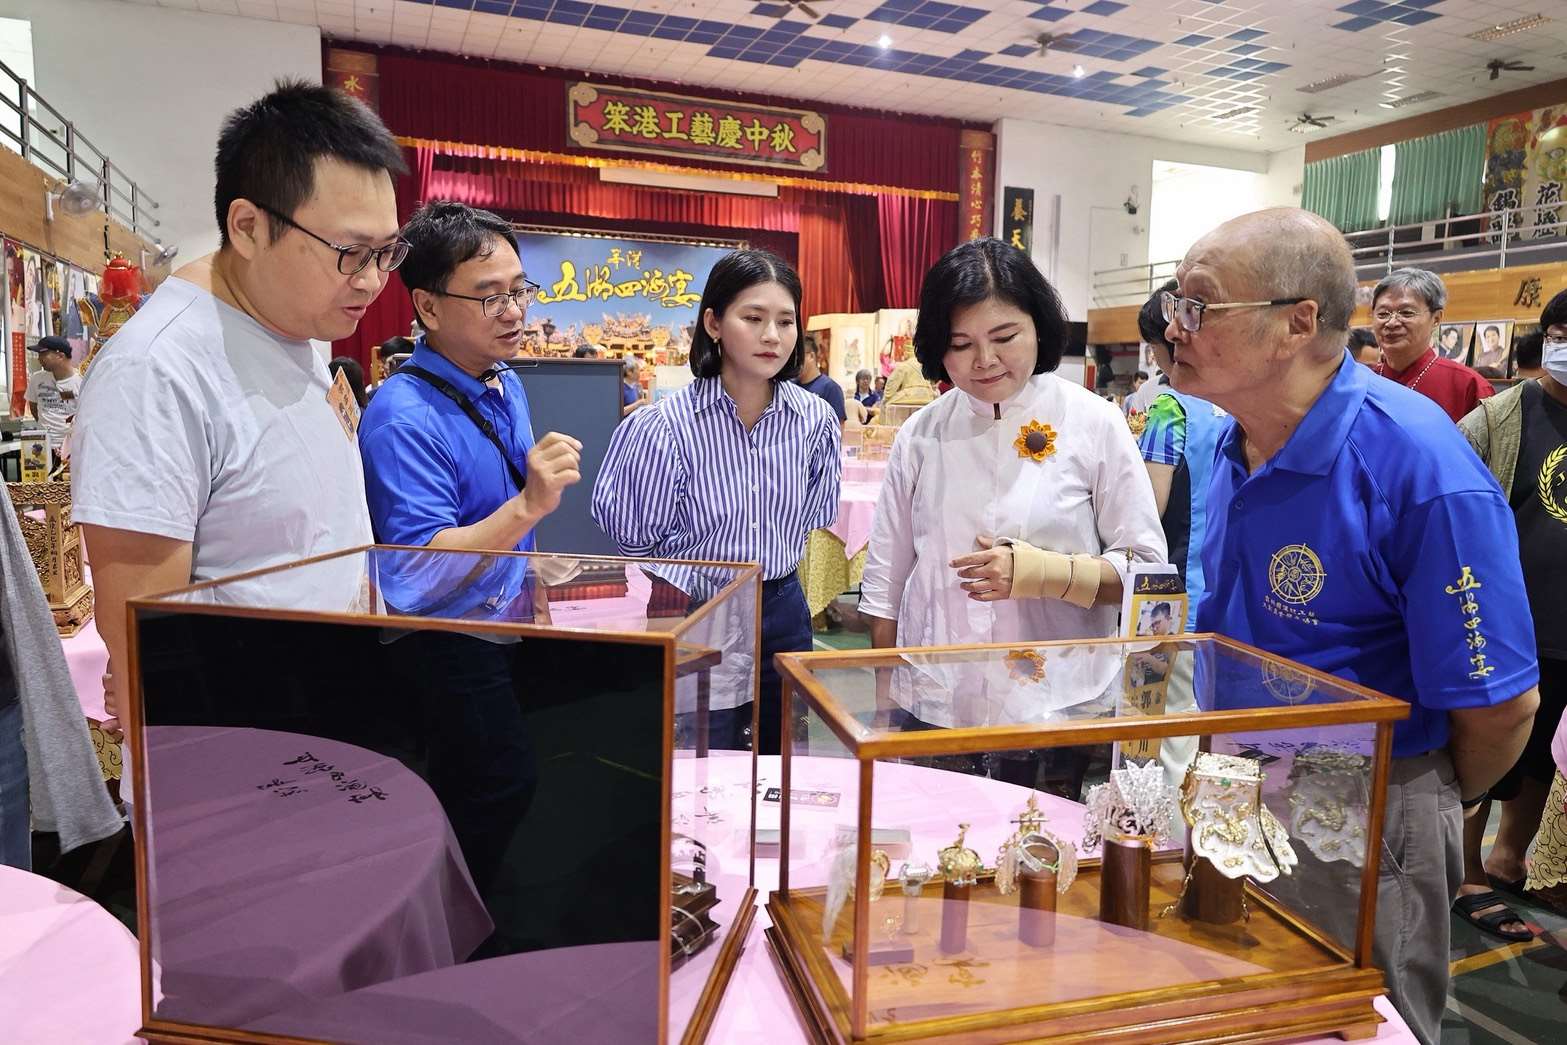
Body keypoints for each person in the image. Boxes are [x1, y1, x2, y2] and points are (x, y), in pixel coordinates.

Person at [1166, 208, 1539, 1045]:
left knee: (1361, 1021)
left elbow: (1501, 706)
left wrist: (1416, 802)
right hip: (1234, 775)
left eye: (1199, 304)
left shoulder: (1418, 466)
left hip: (1369, 797)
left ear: (1297, 322)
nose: (1173, 325)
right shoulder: (1233, 441)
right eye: (1174, 302)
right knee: (1240, 1005)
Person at [72, 80, 406, 730]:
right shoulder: (157, 371)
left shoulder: (292, 324)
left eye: (386, 253)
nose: (371, 280)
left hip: (333, 723)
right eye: (351, 253)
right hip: (249, 752)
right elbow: (148, 647)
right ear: (248, 227)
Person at [358, 199, 582, 893]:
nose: (514, 312)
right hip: (446, 640)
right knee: (491, 787)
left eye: (519, 290)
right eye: (489, 297)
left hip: (504, 621)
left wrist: (532, 567)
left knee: (520, 781)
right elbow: (415, 570)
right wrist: (527, 508)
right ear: (427, 306)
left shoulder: (503, 379)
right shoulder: (403, 417)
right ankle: (448, 918)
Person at [861, 238, 1165, 731]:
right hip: (938, 693)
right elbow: (885, 583)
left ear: (1038, 327)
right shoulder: (922, 433)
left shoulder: (1094, 422)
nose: (984, 360)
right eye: (961, 344)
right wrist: (884, 704)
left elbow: (1147, 570)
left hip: (1062, 696)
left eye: (1004, 337)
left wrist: (1043, 572)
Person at [592, 249, 840, 754]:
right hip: (692, 606)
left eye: (786, 321)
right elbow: (632, 537)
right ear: (713, 323)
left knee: (782, 755)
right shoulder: (662, 426)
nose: (772, 336)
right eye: (753, 318)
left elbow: (817, 511)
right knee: (697, 756)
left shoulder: (814, 421)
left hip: (782, 607)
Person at [1453, 290, 1567, 939]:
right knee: (1486, 750)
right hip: (1503, 622)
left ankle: (1509, 856)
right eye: (1560, 332)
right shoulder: (1497, 418)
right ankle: (1466, 870)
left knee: (1547, 754)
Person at [1135, 281, 1225, 631]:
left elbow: (1146, 511)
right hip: (1229, 596)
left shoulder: (1169, 410)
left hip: (1176, 599)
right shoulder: (1239, 403)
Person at [1369, 267, 1493, 421]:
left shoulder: (1468, 385)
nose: (1392, 323)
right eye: (1383, 314)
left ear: (1436, 319)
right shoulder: (1362, 381)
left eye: (1406, 313)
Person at [24, 336, 80, 460]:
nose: (39, 359)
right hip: (42, 447)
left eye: (43, 354)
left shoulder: (81, 381)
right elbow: (34, 407)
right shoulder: (37, 379)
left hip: (72, 449)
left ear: (60, 356)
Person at [796, 332, 846, 423]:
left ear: (811, 356)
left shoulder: (831, 388)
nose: (794, 362)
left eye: (797, 357)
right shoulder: (791, 386)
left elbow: (838, 425)